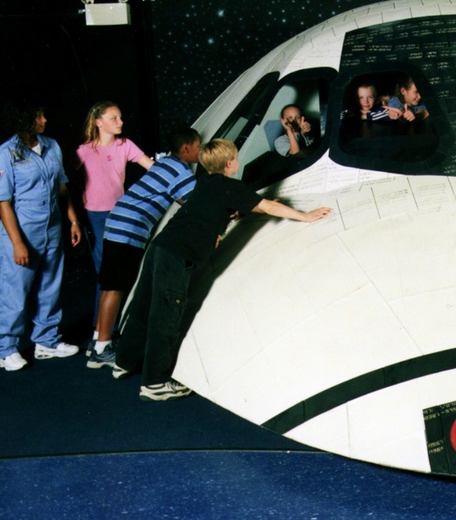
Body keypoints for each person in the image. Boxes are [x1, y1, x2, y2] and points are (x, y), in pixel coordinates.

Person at [114, 139, 332, 401]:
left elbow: (218, 209)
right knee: (167, 316)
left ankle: (124, 363)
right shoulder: (231, 186)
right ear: (231, 163)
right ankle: (155, 384)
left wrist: (248, 207)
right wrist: (306, 215)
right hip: (178, 256)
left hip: (161, 246)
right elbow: (269, 207)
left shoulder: (206, 182)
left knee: (143, 307)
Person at [86, 127, 202, 370]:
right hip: (129, 228)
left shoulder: (164, 164)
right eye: (198, 147)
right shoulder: (180, 169)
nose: (200, 152)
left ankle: (98, 341)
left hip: (117, 221)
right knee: (116, 288)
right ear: (186, 149)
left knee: (109, 287)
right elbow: (196, 202)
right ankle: (101, 350)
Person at [1, 102, 82, 371]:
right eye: (39, 116)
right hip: (23, 230)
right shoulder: (7, 153)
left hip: (53, 226)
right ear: (24, 118)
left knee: (51, 284)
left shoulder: (51, 146)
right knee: (16, 290)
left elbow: (62, 187)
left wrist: (72, 220)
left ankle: (47, 340)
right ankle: (5, 348)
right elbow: (3, 203)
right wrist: (17, 243)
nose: (45, 119)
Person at [75, 102, 154, 285]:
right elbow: (66, 177)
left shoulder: (125, 145)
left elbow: (152, 167)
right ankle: (102, 314)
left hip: (120, 212)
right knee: (105, 272)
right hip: (96, 215)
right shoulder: (84, 151)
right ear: (98, 122)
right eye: (114, 118)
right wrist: (80, 191)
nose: (120, 122)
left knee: (121, 268)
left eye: (120, 117)